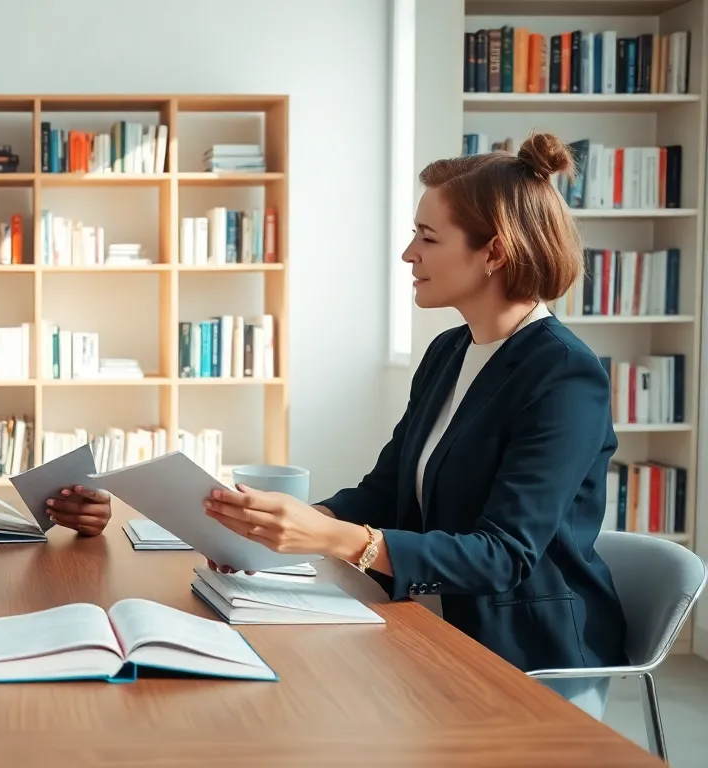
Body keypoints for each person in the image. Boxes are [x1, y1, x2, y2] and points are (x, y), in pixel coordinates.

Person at [200, 132, 628, 721]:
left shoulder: (565, 378)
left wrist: (334, 541)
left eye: (427, 238)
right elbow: (388, 492)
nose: (408, 254)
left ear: (495, 253)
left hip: (522, 654)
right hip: (431, 621)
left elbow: (503, 556)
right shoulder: (450, 352)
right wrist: (289, 526)